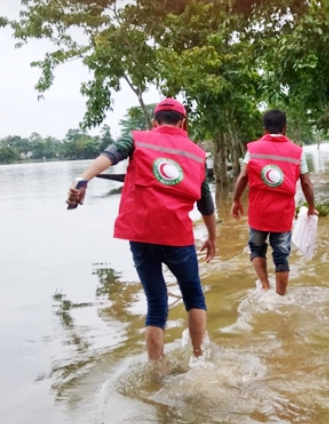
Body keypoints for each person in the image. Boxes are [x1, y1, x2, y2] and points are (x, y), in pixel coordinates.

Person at [65, 98, 216, 362]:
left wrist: (83, 179)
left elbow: (108, 157)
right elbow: (206, 202)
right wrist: (212, 237)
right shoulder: (197, 155)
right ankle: (199, 358)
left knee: (156, 304)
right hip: (176, 235)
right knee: (193, 295)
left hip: (141, 234)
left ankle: (156, 370)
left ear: (154, 122)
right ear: (184, 123)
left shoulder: (137, 139)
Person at [231, 109, 318, 296]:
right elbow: (306, 183)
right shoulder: (297, 152)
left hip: (259, 212)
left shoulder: (253, 149)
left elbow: (243, 176)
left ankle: (265, 285)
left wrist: (236, 200)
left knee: (257, 249)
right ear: (285, 128)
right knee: (281, 256)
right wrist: (311, 207)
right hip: (282, 214)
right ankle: (280, 296)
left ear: (264, 130)